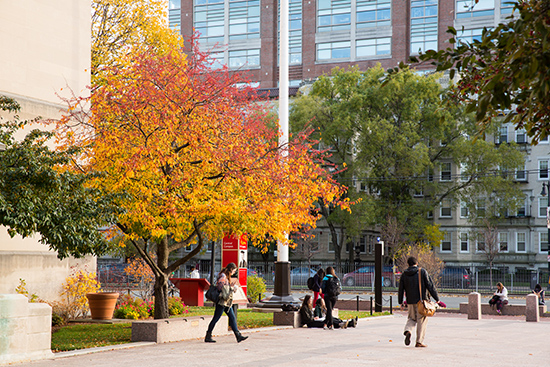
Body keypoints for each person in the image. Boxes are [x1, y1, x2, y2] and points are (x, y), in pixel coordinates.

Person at [398, 256, 439, 348]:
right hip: (421, 301)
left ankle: (408, 331)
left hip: (410, 301)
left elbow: (400, 289)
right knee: (422, 320)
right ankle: (419, 341)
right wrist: (437, 298)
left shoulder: (404, 274)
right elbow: (430, 286)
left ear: (408, 264)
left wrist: (401, 302)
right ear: (416, 263)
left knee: (411, 318)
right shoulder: (422, 272)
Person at [205, 263, 248, 343]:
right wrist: (230, 287)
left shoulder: (225, 276)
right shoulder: (223, 276)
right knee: (216, 318)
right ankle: (208, 335)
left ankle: (238, 335)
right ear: (231, 269)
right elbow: (220, 287)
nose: (234, 272)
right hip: (222, 302)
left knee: (232, 317)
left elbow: (225, 287)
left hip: (226, 302)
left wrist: (231, 286)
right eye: (234, 270)